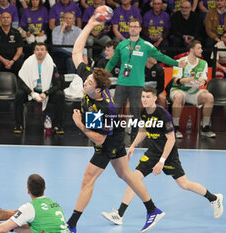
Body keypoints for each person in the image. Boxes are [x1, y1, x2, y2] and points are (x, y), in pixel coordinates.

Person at [67, 16, 165, 233]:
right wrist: (91, 23)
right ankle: (152, 209)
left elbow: (99, 138)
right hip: (112, 133)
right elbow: (76, 52)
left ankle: (71, 225)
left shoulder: (104, 109)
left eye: (89, 83)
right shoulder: (91, 81)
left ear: (99, 90)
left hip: (109, 139)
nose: (85, 82)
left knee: (87, 179)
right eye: (87, 79)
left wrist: (79, 124)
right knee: (125, 174)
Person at [102, 87, 224, 225]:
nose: (145, 99)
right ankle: (119, 214)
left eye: (148, 97)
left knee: (184, 184)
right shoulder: (144, 112)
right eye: (143, 97)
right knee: (134, 179)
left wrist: (162, 161)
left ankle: (214, 198)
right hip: (153, 152)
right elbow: (144, 130)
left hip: (168, 154)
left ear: (155, 98)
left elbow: (171, 139)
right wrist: (133, 145)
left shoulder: (163, 115)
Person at [106, 18, 185, 140]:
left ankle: (134, 136)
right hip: (122, 82)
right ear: (128, 28)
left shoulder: (146, 46)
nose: (133, 28)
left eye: (135, 26)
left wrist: (176, 63)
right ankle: (112, 133)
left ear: (140, 29)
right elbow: (112, 62)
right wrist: (104, 74)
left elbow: (161, 56)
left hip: (137, 84)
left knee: (136, 111)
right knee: (115, 108)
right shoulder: (122, 45)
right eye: (131, 26)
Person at [0, 174, 70, 233]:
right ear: (45, 188)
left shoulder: (29, 208)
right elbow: (35, 230)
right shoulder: (55, 205)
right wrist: (13, 228)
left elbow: (3, 229)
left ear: (28, 190)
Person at [14, 42, 65, 135]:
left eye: (42, 49)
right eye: (37, 49)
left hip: (46, 93)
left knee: (60, 95)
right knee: (19, 94)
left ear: (46, 52)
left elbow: (58, 84)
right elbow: (20, 82)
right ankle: (18, 125)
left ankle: (57, 125)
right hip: (31, 91)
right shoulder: (27, 63)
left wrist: (46, 93)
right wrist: (32, 93)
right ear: (34, 51)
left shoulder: (52, 65)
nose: (39, 52)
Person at [168, 40, 216, 139]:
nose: (201, 50)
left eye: (201, 48)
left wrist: (202, 81)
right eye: (199, 48)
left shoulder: (203, 63)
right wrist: (184, 80)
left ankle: (205, 127)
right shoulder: (180, 62)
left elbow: (204, 79)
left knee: (209, 97)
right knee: (179, 97)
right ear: (191, 49)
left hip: (194, 91)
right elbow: (176, 80)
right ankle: (175, 128)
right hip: (179, 90)